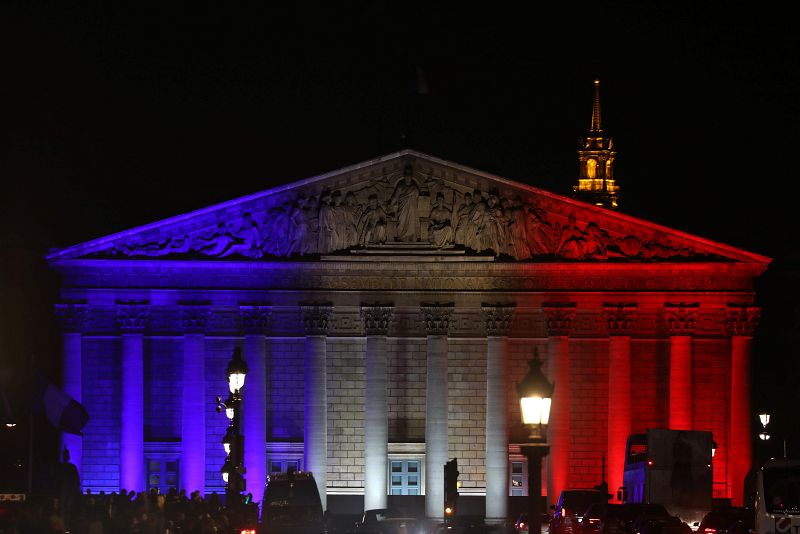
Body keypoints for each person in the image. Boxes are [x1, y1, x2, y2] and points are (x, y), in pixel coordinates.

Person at [389, 164, 420, 242]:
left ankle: (411, 236)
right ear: (404, 177)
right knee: (401, 221)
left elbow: (418, 196)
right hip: (402, 208)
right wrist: (390, 206)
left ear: (411, 177)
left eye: (409, 177)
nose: (408, 178)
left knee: (411, 223)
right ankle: (401, 236)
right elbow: (395, 197)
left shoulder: (414, 188)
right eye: (406, 176)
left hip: (412, 208)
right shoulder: (400, 186)